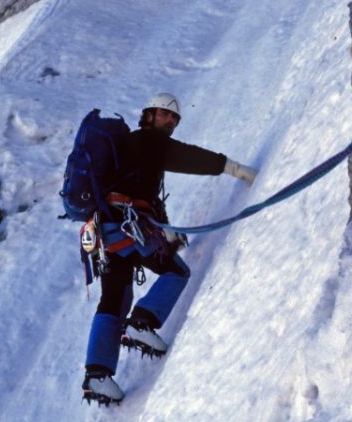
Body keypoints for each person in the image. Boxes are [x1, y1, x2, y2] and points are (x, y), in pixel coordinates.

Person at [82, 93, 257, 405]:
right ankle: (142, 323)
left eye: (174, 118)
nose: (170, 122)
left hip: (106, 232)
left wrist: (167, 232)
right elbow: (188, 157)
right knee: (176, 270)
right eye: (164, 114)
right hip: (126, 224)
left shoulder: (130, 149)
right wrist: (234, 168)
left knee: (114, 297)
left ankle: (97, 375)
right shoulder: (149, 141)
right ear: (149, 115)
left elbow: (144, 195)